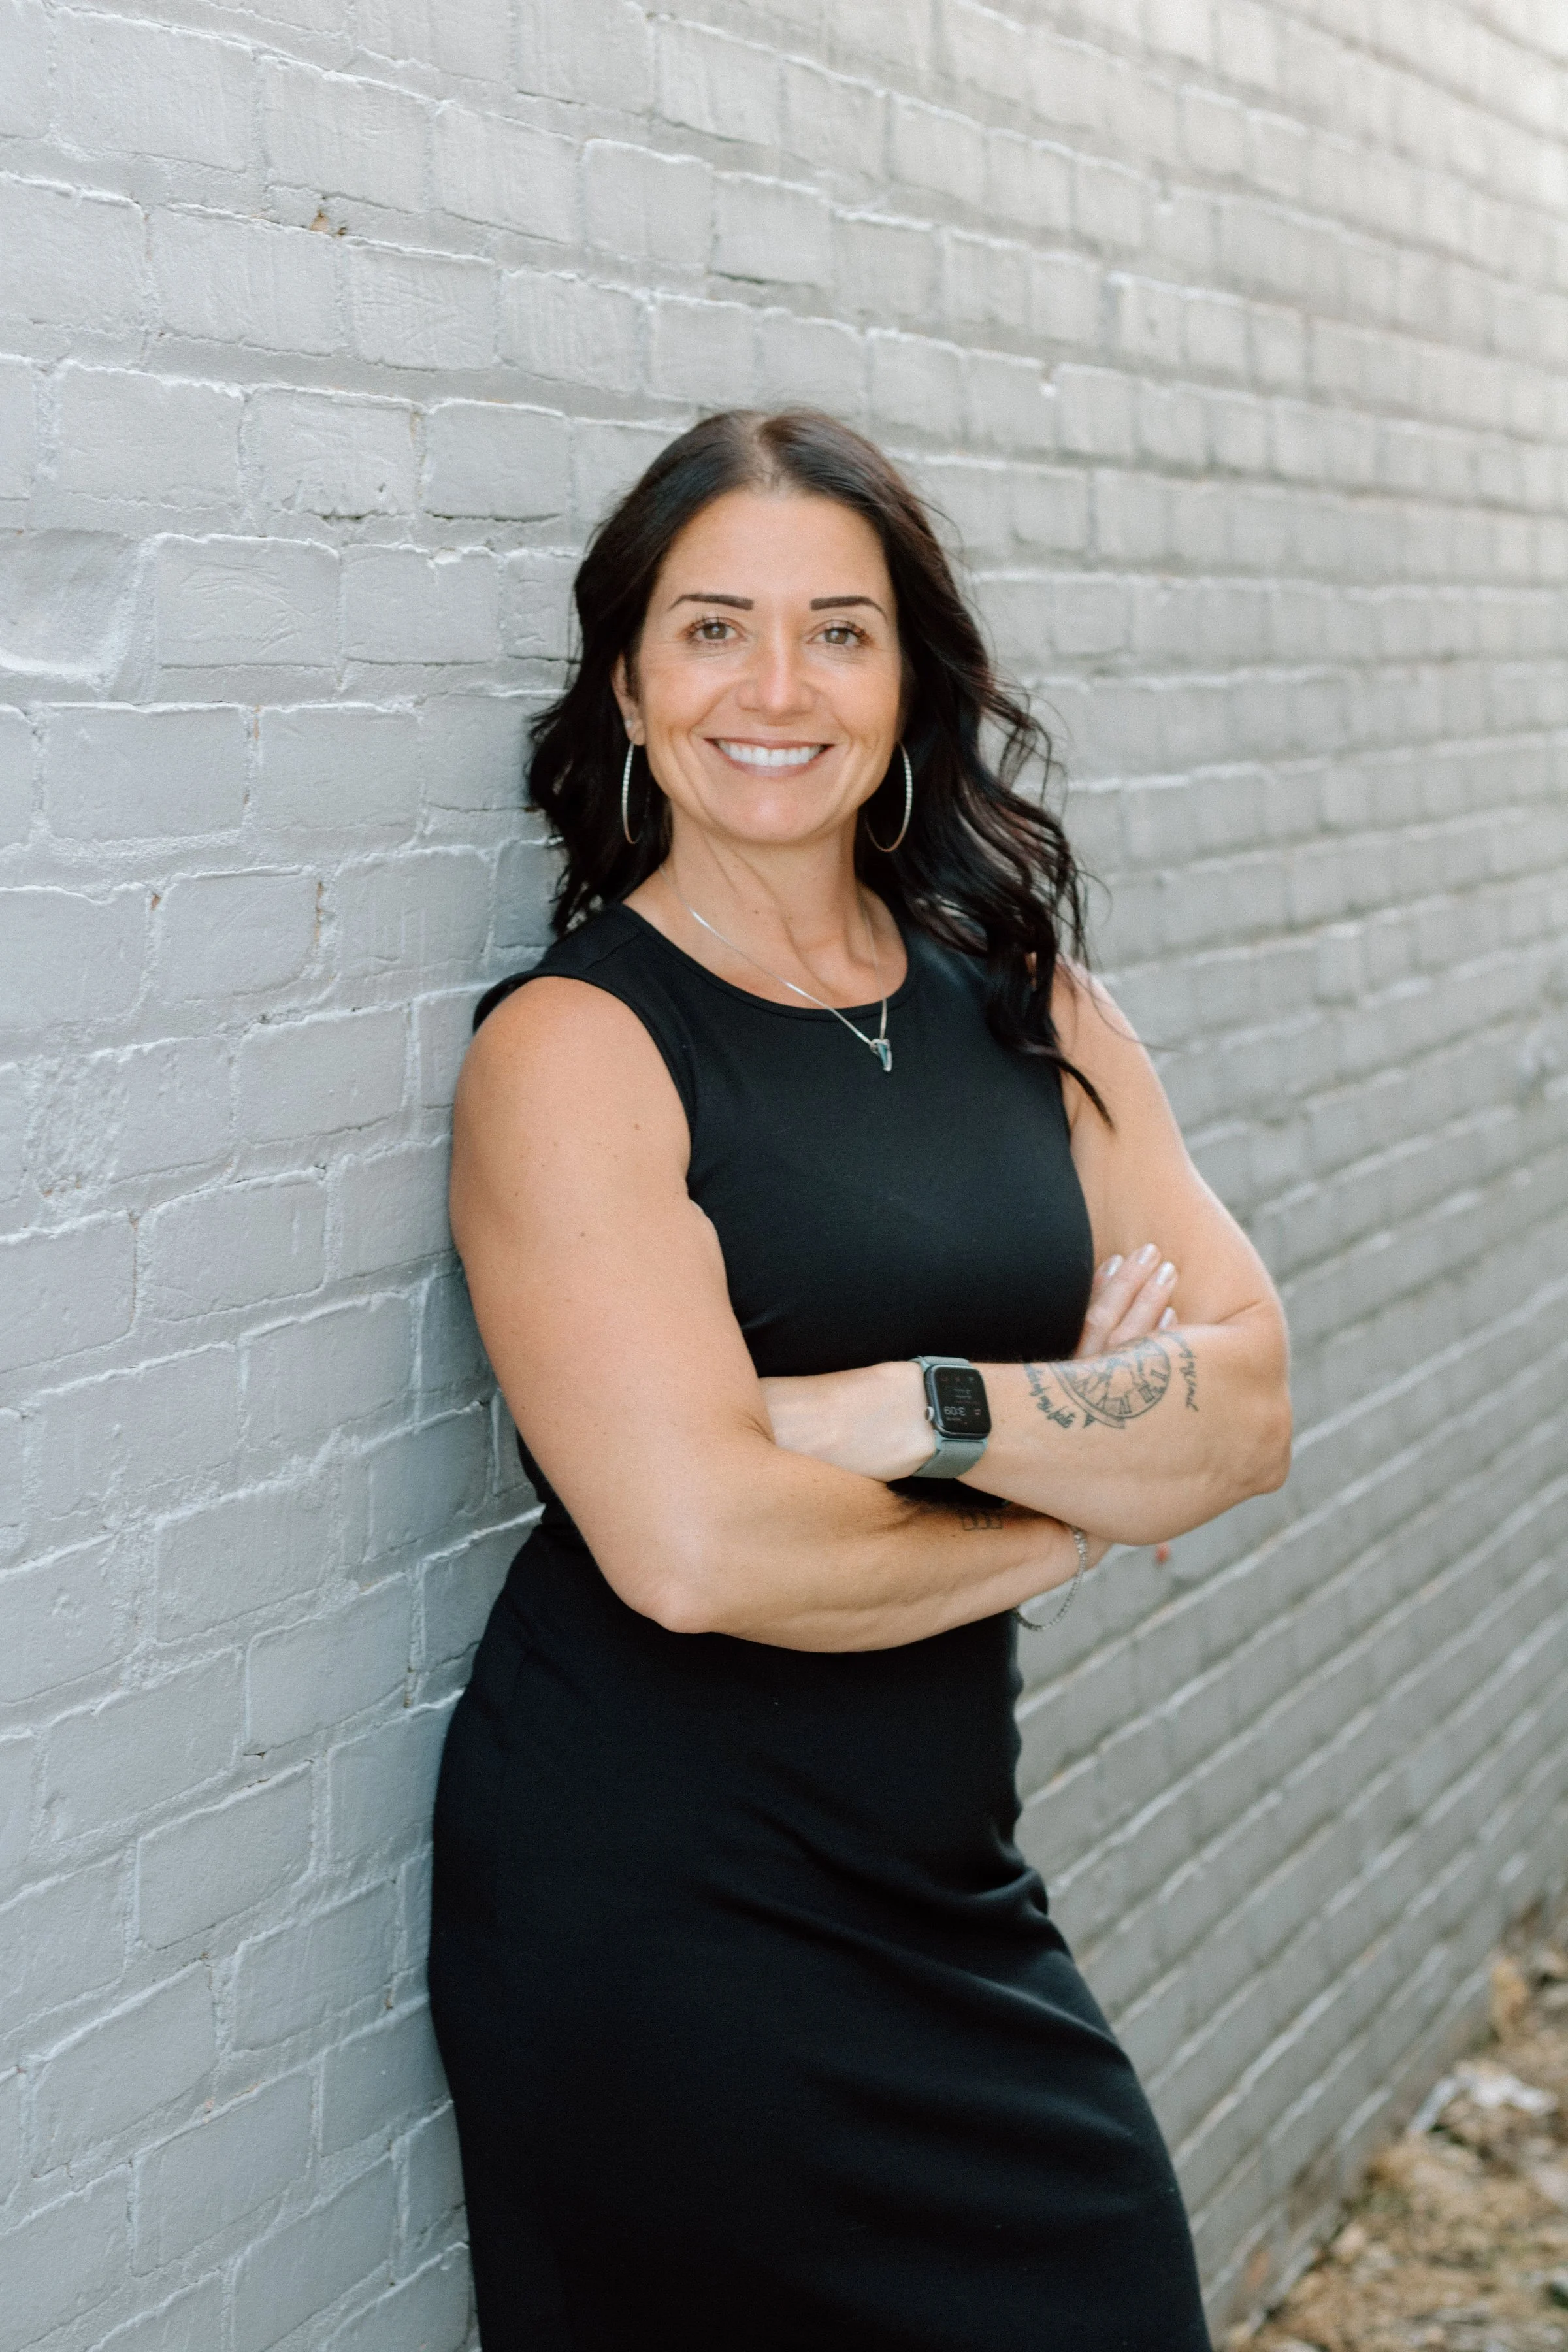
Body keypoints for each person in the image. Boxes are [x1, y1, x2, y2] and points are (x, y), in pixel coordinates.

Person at [428, 408, 1291, 2351]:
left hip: (944, 1879)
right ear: (631, 686)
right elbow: (697, 1553)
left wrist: (922, 1409)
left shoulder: (1029, 1009)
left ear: (912, 684)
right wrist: (1078, 1503)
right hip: (659, 1916)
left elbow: (1247, 1410)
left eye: (840, 632)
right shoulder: (578, 1048)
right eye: (714, 627)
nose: (777, 688)